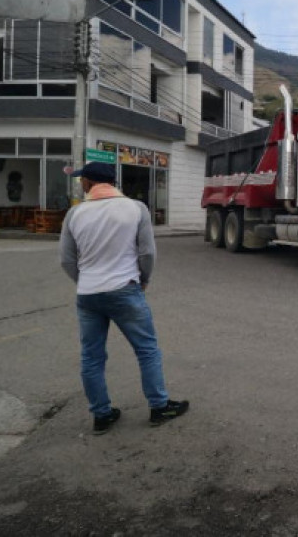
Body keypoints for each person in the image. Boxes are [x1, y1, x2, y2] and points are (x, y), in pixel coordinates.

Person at [59, 162, 188, 435]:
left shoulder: (75, 214)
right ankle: (159, 406)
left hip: (88, 295)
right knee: (146, 349)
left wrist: (84, 282)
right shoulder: (135, 208)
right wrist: (144, 279)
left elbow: (67, 259)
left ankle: (102, 415)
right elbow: (147, 253)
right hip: (125, 290)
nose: (81, 184)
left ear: (89, 183)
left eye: (82, 180)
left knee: (92, 357)